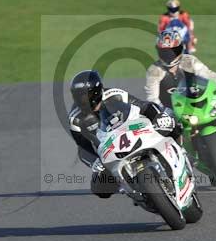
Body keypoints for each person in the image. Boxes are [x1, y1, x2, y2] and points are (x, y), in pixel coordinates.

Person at [68, 70, 179, 198]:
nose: (82, 100)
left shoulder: (115, 95)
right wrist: (95, 162)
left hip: (136, 132)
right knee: (99, 189)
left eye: (85, 96)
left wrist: (159, 117)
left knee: (172, 121)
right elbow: (83, 148)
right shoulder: (75, 119)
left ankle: (179, 153)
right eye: (78, 97)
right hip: (111, 151)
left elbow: (144, 107)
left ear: (96, 91)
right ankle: (133, 189)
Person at [145, 30, 216, 109]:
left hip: (195, 108)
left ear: (180, 48)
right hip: (169, 114)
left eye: (172, 51)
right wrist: (166, 113)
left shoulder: (190, 61)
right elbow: (152, 98)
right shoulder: (154, 70)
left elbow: (208, 74)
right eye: (165, 53)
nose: (169, 56)